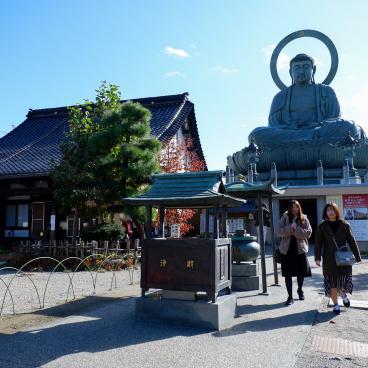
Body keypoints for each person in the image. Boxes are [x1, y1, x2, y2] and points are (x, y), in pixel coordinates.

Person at [314, 202, 362, 315]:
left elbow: (352, 241)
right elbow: (318, 243)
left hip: (343, 259)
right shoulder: (322, 226)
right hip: (329, 260)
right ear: (325, 212)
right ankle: (336, 305)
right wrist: (317, 258)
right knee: (333, 284)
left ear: (336, 211)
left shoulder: (345, 224)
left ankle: (344, 294)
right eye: (328, 210)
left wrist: (357, 256)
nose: (330, 212)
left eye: (333, 210)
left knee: (343, 283)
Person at [279, 200, 312, 306]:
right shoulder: (284, 217)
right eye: (292, 207)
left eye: (296, 207)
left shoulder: (304, 218)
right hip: (287, 250)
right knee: (288, 274)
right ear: (290, 208)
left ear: (299, 208)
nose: (295, 209)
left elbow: (308, 233)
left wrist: (296, 229)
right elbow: (279, 231)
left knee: (300, 273)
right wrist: (289, 228)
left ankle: (300, 290)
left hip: (300, 249)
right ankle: (290, 296)